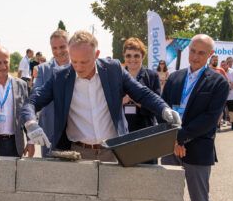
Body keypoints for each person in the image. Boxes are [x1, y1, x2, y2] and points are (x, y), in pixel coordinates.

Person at [21, 30, 180, 162]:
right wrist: (31, 122)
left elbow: (142, 93)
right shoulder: (60, 77)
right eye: (74, 61)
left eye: (84, 62)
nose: (78, 67)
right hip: (77, 154)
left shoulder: (113, 70)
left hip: (112, 151)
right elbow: (32, 101)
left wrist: (164, 109)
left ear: (96, 54)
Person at [161, 34, 229, 201]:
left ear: (210, 55)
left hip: (198, 150)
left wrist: (180, 138)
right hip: (170, 149)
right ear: (188, 51)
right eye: (193, 51)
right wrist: (173, 140)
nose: (196, 56)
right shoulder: (174, 77)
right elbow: (163, 109)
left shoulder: (218, 82)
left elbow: (209, 120)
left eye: (202, 53)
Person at [122, 37, 161, 164]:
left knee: (147, 172)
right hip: (122, 132)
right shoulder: (117, 76)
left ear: (142, 57)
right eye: (128, 55)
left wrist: (136, 99)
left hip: (145, 131)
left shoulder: (152, 76)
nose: (132, 59)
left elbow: (156, 105)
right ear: (124, 56)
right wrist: (120, 102)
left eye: (136, 56)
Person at [31, 29, 70, 157]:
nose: (58, 51)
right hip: (49, 128)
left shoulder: (78, 67)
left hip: (74, 129)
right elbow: (36, 95)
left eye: (62, 47)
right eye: (54, 48)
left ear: (69, 45)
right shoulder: (43, 69)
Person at [221, 59, 233, 131]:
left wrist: (228, 89)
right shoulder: (219, 72)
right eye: (222, 65)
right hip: (221, 96)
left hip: (232, 95)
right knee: (220, 111)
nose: (223, 66)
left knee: (232, 111)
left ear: (227, 65)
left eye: (224, 65)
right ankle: (217, 126)